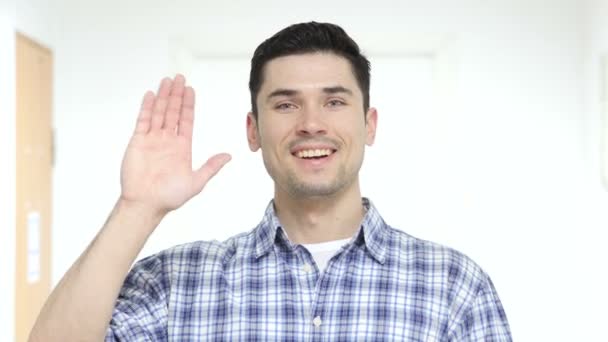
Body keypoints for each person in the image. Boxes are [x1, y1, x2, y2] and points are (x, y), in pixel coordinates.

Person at [30, 22, 512, 341]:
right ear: (253, 130)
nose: (311, 123)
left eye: (334, 101)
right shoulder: (177, 284)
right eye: (285, 104)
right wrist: (137, 207)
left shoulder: (453, 286)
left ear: (370, 124)